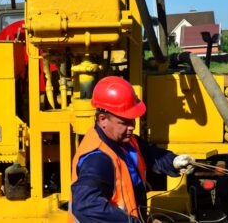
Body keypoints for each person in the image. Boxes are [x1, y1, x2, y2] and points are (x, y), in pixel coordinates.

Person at [69, 76, 194, 223]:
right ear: (103, 119)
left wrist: (173, 161)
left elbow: (151, 154)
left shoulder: (127, 141)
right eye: (125, 122)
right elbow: (85, 206)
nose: (132, 126)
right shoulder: (97, 158)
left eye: (132, 120)